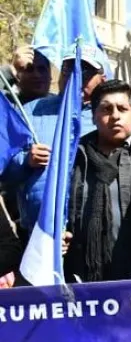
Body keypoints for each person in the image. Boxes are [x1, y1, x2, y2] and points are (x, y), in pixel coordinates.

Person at [63, 80, 131, 282]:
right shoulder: (71, 158)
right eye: (106, 109)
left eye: (122, 108)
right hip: (81, 280)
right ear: (93, 116)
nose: (115, 116)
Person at [2, 46, 108, 235]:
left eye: (85, 72)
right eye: (68, 69)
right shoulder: (30, 112)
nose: (75, 77)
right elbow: (5, 167)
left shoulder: (114, 114)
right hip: (39, 232)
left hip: (94, 233)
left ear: (102, 79)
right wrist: (26, 161)